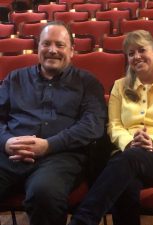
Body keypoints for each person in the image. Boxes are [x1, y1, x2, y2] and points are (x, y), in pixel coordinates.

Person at [68, 29, 153, 225]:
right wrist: (129, 143)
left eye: (141, 50)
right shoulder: (119, 86)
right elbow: (114, 126)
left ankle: (83, 220)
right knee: (125, 185)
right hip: (127, 156)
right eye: (131, 53)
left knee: (125, 163)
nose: (136, 56)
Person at [0, 21, 107, 225]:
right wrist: (6, 141)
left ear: (72, 51)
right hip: (10, 154)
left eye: (60, 45)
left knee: (44, 194)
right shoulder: (15, 79)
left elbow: (92, 124)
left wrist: (49, 145)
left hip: (60, 157)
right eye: (46, 44)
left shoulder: (87, 82)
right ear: (37, 48)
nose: (52, 50)